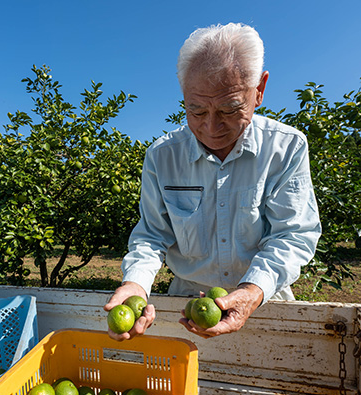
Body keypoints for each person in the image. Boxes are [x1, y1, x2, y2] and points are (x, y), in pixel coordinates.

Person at [104, 22, 321, 340]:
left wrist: (251, 290)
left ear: (259, 90)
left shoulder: (286, 148)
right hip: (188, 307)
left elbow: (293, 235)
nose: (211, 126)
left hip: (265, 302)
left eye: (229, 108)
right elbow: (151, 234)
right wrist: (135, 283)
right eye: (196, 109)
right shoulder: (163, 156)